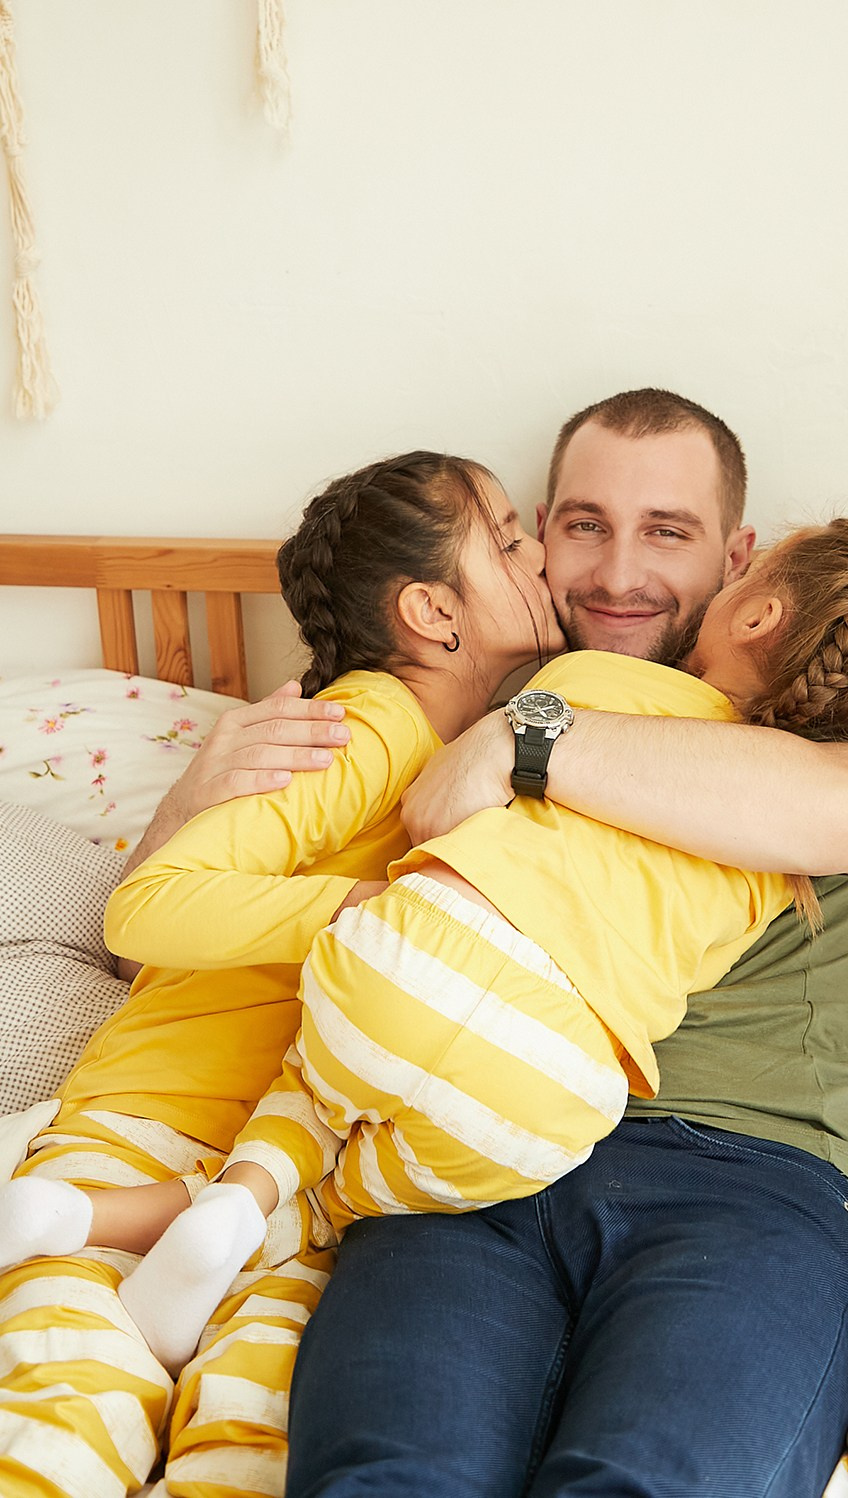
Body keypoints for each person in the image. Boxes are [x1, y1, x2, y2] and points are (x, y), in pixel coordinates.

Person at [17, 517, 848, 1401]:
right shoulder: (763, 848)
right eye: (556, 531)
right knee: (356, 1199)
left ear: (741, 577)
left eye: (668, 531)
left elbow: (438, 820)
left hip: (414, 976)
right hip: (542, 1086)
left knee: (314, 1076)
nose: (599, 568)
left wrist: (497, 770)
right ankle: (210, 1220)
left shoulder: (628, 713)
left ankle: (174, 1213)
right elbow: (139, 929)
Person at [0, 449, 563, 1498]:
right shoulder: (361, 725)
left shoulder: (504, 758)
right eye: (509, 536)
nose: (539, 556)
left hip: (283, 1183)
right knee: (65, 1418)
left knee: (253, 1447)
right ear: (434, 611)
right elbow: (148, 905)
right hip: (151, 1126)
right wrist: (373, 914)